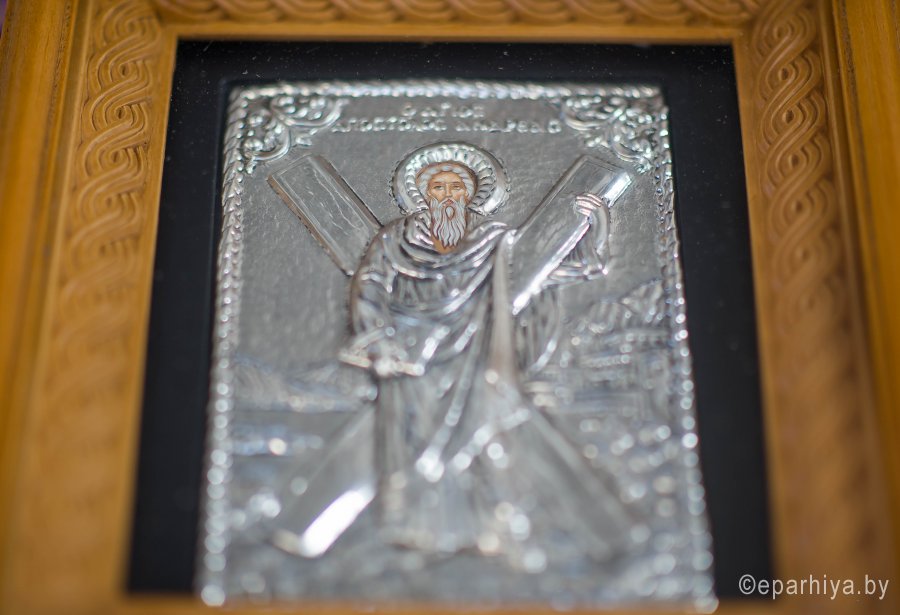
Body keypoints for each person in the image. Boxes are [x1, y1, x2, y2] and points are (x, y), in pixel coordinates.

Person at [342, 145, 640, 568]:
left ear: (470, 195)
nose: (447, 195)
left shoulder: (494, 240)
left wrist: (598, 226)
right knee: (413, 439)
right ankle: (417, 531)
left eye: (455, 188)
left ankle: (488, 527)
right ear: (423, 194)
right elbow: (371, 282)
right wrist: (377, 339)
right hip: (411, 355)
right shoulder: (395, 239)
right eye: (438, 187)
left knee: (482, 434)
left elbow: (559, 271)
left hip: (473, 350)